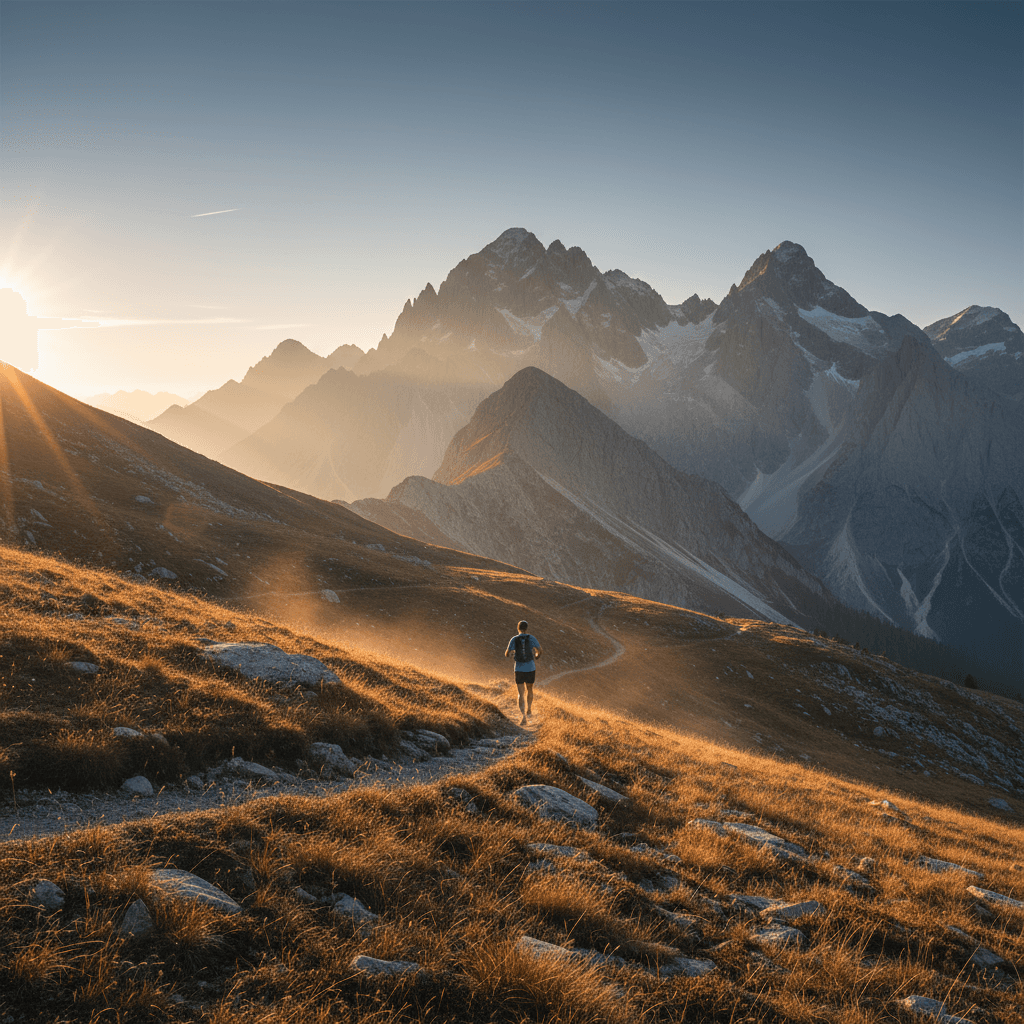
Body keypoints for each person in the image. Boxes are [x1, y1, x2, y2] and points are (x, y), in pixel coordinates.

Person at [505, 620, 542, 726]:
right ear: (527, 628)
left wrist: (511, 653)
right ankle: (529, 709)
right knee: (530, 689)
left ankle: (523, 717)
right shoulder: (531, 638)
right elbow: (540, 650)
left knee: (521, 693)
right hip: (530, 668)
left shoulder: (514, 639)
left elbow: (507, 654)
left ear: (518, 628)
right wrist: (536, 656)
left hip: (519, 669)